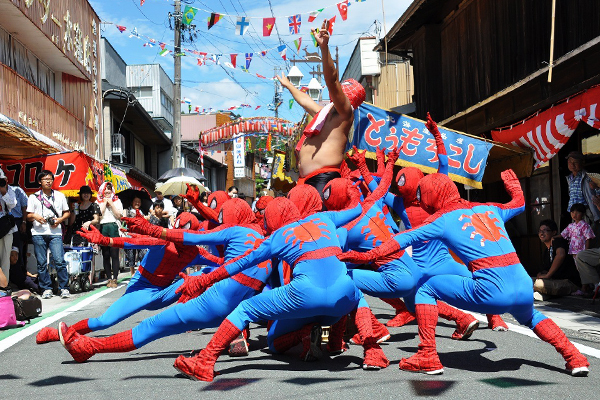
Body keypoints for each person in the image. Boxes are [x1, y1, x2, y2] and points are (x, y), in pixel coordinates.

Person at [339, 170, 589, 376]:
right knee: (532, 316)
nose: (421, 198)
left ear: (431, 195)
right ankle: (574, 357)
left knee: (426, 289)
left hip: (492, 291)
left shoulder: (441, 219)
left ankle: (427, 355)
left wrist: (366, 256)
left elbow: (401, 240)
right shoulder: (489, 208)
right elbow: (519, 204)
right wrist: (514, 186)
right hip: (524, 284)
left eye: (423, 193)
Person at [36, 212, 222, 346]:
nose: (181, 238)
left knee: (205, 273)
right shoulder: (163, 242)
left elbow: (222, 264)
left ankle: (192, 309)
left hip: (165, 292)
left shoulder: (196, 252)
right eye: (179, 232)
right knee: (104, 322)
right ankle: (59, 333)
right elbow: (133, 242)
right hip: (142, 290)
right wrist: (105, 241)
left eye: (186, 235)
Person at [277, 20, 365, 201]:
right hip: (306, 180)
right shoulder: (325, 114)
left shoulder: (345, 112)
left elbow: (332, 81)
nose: (336, 92)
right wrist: (289, 86)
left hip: (322, 180)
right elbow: (305, 100)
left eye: (342, 90)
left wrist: (324, 49)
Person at [26, 170, 70, 299]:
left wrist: (60, 220)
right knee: (41, 262)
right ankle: (46, 288)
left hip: (55, 232)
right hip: (38, 232)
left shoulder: (60, 196)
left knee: (59, 260)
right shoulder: (33, 197)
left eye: (50, 179)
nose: (48, 181)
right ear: (40, 181)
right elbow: (28, 216)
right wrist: (35, 216)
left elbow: (67, 212)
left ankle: (64, 288)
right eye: (45, 179)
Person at [534, 219, 581, 300]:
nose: (541, 233)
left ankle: (544, 294)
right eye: (540, 231)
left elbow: (561, 255)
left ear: (554, 232)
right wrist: (541, 273)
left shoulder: (558, 241)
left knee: (534, 283)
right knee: (528, 280)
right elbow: (546, 269)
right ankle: (544, 295)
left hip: (570, 282)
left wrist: (548, 275)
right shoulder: (546, 252)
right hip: (556, 281)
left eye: (545, 230)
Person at [565, 151, 600, 234]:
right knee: (576, 236)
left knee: (587, 235)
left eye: (575, 162)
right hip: (574, 212)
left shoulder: (588, 177)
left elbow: (598, 192)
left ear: (582, 163)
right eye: (570, 162)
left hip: (585, 211)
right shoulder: (569, 179)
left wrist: (596, 188)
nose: (572, 165)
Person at [97, 182, 123, 288]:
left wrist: (111, 204)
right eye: (105, 189)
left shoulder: (117, 200)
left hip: (114, 227)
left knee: (114, 254)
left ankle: (115, 278)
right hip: (103, 227)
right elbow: (99, 215)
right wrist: (104, 203)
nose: (107, 191)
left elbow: (119, 216)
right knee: (106, 255)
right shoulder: (98, 200)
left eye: (109, 189)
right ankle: (108, 279)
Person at [124, 195, 150, 277]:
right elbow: (125, 220)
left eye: (139, 201)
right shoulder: (127, 211)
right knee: (131, 253)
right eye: (136, 201)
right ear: (132, 202)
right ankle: (132, 272)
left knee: (142, 253)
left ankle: (142, 270)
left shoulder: (143, 212)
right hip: (131, 235)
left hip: (140, 235)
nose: (137, 203)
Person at [0, 167, 16, 287]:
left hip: (5, 228)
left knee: (5, 259)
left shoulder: (9, 189)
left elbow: (13, 204)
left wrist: (3, 190)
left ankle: (3, 287)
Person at [9, 182, 28, 272]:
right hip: (3, 221)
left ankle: (19, 272)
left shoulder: (17, 190)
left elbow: (24, 207)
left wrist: (24, 222)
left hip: (17, 220)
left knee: (17, 248)